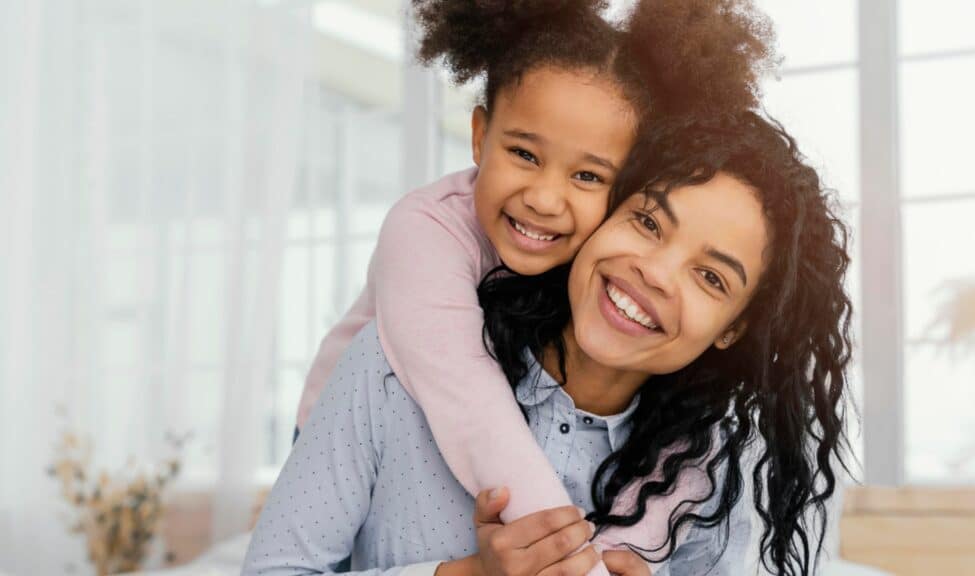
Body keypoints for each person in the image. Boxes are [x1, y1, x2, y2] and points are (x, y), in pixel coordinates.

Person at [244, 112, 855, 576]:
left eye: (711, 277)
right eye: (647, 221)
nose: (656, 274)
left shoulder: (706, 481)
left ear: (732, 327)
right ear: (605, 214)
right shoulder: (393, 366)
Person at [291, 1, 774, 573]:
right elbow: (468, 399)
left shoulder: (706, 465)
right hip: (351, 418)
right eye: (524, 153)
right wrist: (575, 566)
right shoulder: (424, 231)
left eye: (589, 176)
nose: (545, 199)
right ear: (478, 137)